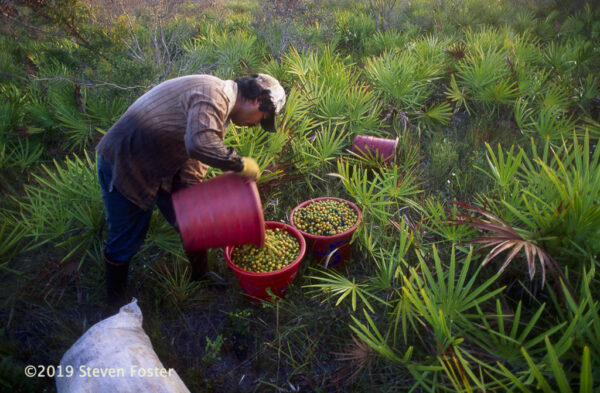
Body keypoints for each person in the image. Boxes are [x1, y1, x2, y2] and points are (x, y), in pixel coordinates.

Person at [96, 73, 286, 308]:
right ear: (257, 100)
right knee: (125, 240)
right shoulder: (214, 93)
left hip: (161, 165)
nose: (257, 124)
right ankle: (114, 307)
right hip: (126, 161)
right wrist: (240, 164)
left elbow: (194, 161)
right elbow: (201, 144)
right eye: (262, 118)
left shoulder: (220, 111)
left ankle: (200, 275)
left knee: (192, 222)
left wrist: (194, 208)